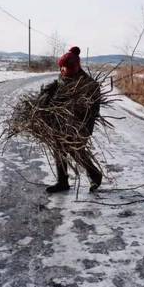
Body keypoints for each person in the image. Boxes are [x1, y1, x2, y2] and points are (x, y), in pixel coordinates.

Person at [40, 46, 103, 194]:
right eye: (61, 67)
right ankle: (62, 182)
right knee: (58, 149)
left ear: (76, 67)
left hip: (80, 124)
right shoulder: (63, 77)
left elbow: (93, 110)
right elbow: (58, 92)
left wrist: (80, 123)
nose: (62, 71)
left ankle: (95, 176)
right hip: (61, 122)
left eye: (65, 68)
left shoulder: (89, 85)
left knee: (76, 151)